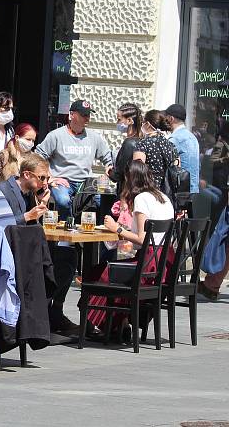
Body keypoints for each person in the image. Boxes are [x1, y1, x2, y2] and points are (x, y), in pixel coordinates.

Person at [89, 161, 175, 336]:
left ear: (130, 178)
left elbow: (143, 239)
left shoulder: (141, 198)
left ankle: (108, 326)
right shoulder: (163, 197)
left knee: (101, 272)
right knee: (111, 271)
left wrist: (117, 229)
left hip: (148, 265)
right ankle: (121, 324)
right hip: (164, 265)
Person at [35, 99, 113, 221]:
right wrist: (50, 177)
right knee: (63, 201)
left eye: (88, 114)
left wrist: (109, 167)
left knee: (101, 201)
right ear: (72, 115)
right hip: (63, 181)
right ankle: (68, 232)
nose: (87, 118)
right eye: (83, 115)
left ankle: (94, 237)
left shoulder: (94, 137)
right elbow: (38, 157)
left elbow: (107, 157)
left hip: (85, 182)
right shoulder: (56, 135)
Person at [0, 153, 51, 225]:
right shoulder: (2, 190)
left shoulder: (31, 193)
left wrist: (42, 202)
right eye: (42, 178)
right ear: (27, 175)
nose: (45, 183)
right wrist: (27, 216)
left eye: (48, 178)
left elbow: (35, 226)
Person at [133, 109, 179, 194]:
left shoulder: (143, 144)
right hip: (167, 195)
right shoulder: (171, 146)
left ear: (148, 124)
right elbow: (177, 170)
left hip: (148, 192)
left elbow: (137, 172)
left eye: (143, 122)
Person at [165, 103, 200, 195]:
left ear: (171, 118)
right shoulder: (192, 136)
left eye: (166, 118)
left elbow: (168, 163)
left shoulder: (175, 138)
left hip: (179, 188)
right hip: (191, 187)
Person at [109, 103, 143, 196]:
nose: (117, 123)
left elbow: (119, 174)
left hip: (127, 192)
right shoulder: (143, 140)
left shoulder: (130, 143)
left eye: (119, 119)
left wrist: (109, 171)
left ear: (130, 120)